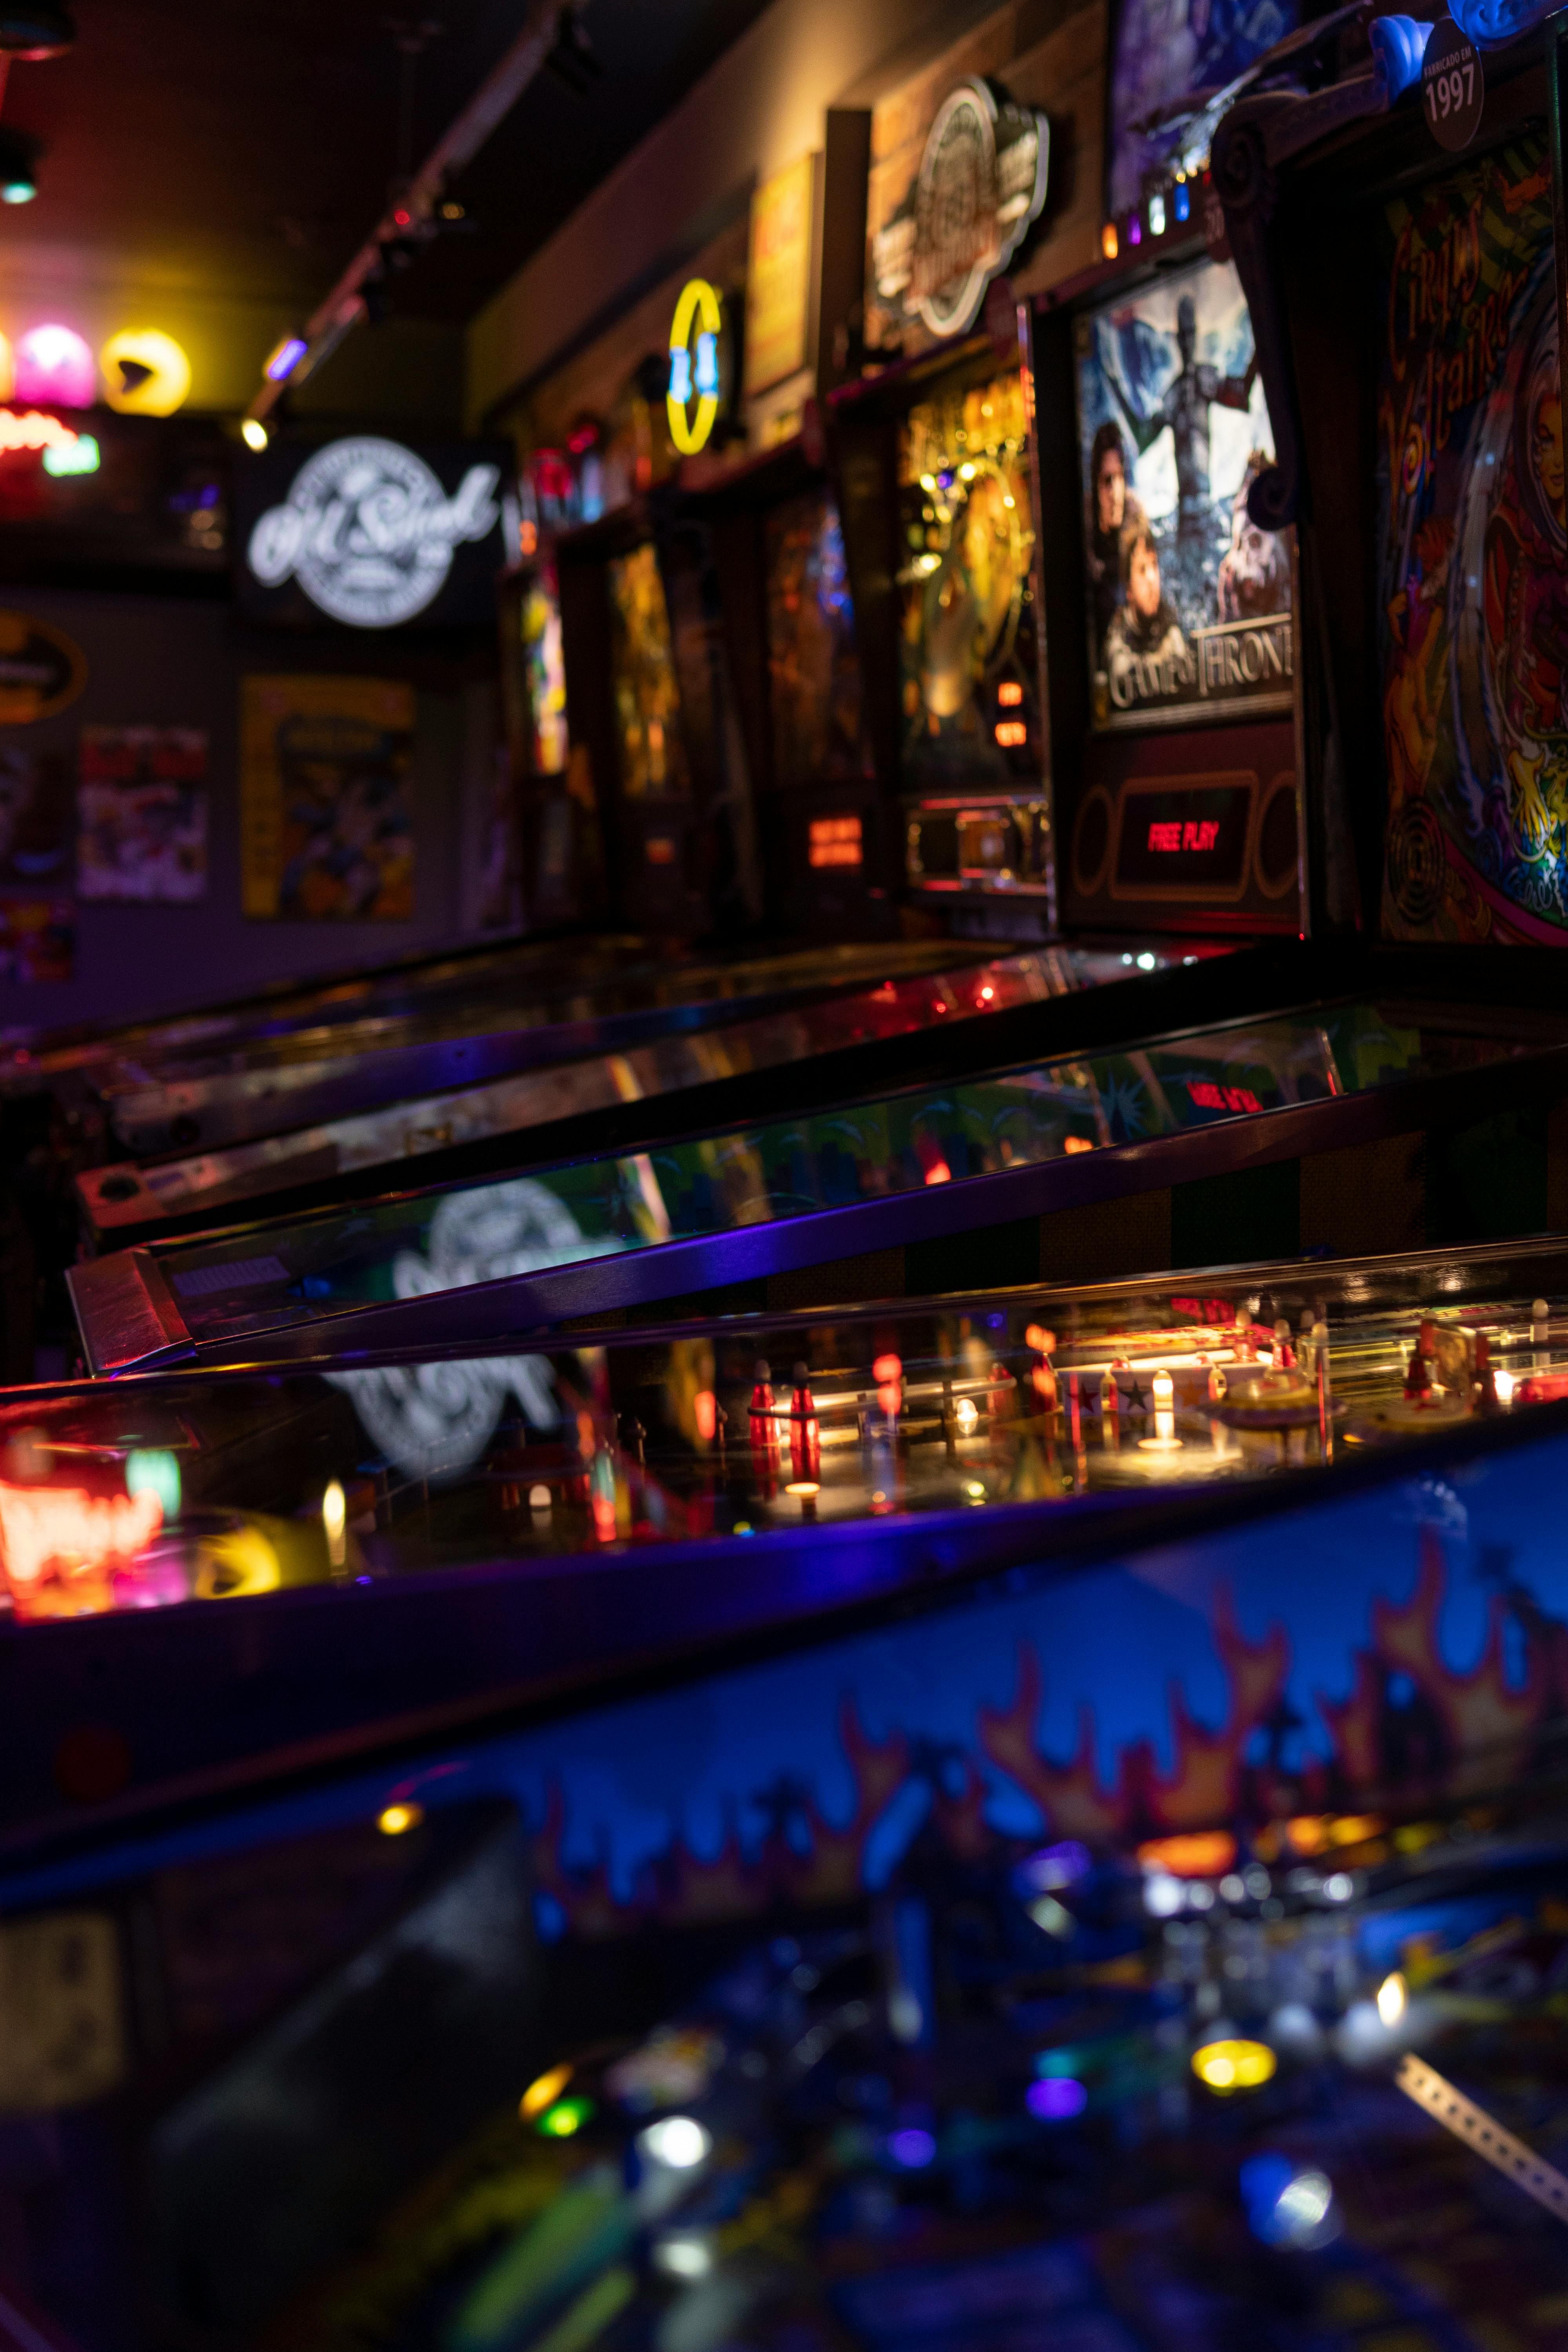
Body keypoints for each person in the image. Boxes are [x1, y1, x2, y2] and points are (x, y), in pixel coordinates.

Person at [1109, 290, 1258, 544]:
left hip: (1205, 500)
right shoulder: (1175, 393)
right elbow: (1144, 435)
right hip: (1185, 507)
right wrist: (1116, 390)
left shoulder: (1204, 379)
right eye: (1184, 333)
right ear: (1178, 338)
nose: (1188, 340)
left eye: (1192, 332)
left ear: (1196, 334)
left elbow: (1241, 394)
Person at [1104, 524, 1192, 709]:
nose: (1152, 579)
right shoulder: (1117, 641)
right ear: (1129, 587)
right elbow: (1122, 674)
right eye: (1143, 570)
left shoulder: (1172, 628)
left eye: (1154, 565)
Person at [1085, 419, 1147, 655]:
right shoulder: (1087, 528)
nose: (1115, 492)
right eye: (1107, 481)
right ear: (1096, 484)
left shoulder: (1137, 520)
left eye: (1120, 477)